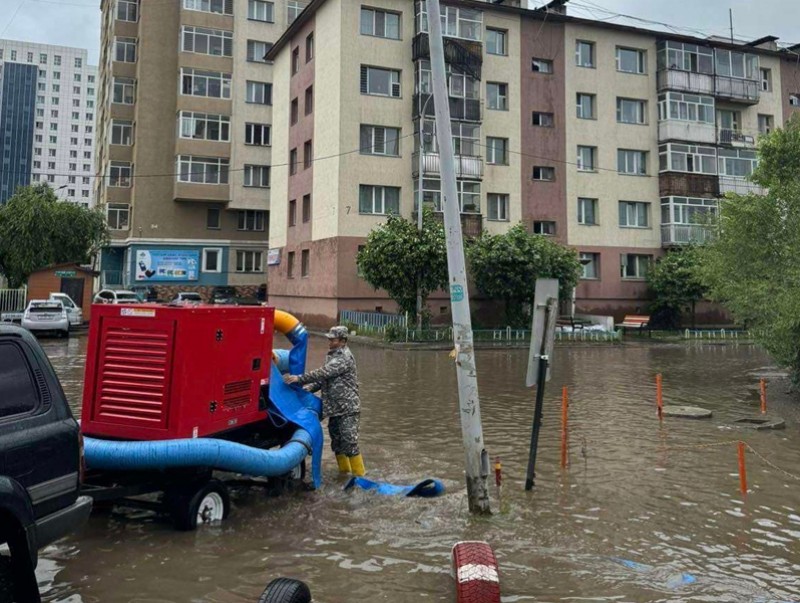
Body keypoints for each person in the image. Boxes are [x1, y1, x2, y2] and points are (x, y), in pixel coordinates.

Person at [283, 326, 365, 476]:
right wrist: (307, 389)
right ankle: (344, 474)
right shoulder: (332, 356)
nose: (330, 342)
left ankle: (359, 477)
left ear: (342, 341)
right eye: (329, 339)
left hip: (348, 408)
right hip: (334, 409)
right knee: (337, 444)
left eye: (333, 339)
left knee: (350, 443)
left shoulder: (344, 357)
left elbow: (323, 373)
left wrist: (299, 378)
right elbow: (324, 380)